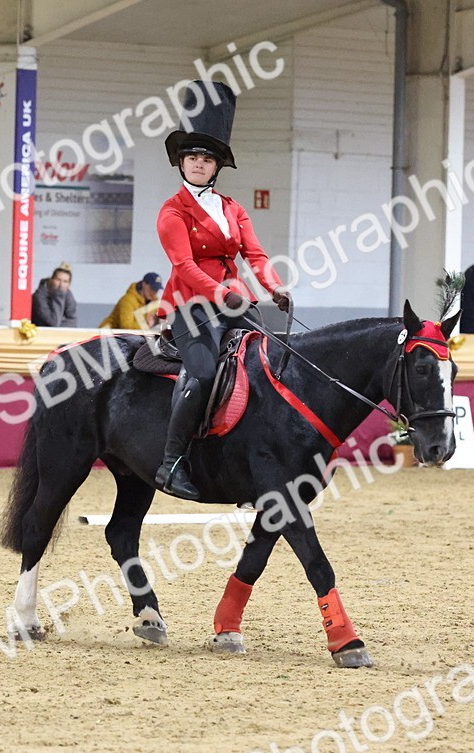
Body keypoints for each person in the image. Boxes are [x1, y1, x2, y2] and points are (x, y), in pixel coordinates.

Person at [153, 80, 291, 500]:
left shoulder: (234, 209)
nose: (198, 163)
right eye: (192, 156)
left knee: (274, 363)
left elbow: (256, 255)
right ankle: (171, 462)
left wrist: (275, 288)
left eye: (205, 158)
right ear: (181, 163)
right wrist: (222, 294)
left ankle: (257, 458)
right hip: (190, 304)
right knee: (206, 370)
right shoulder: (172, 211)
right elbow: (184, 265)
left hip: (234, 300)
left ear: (217, 166)